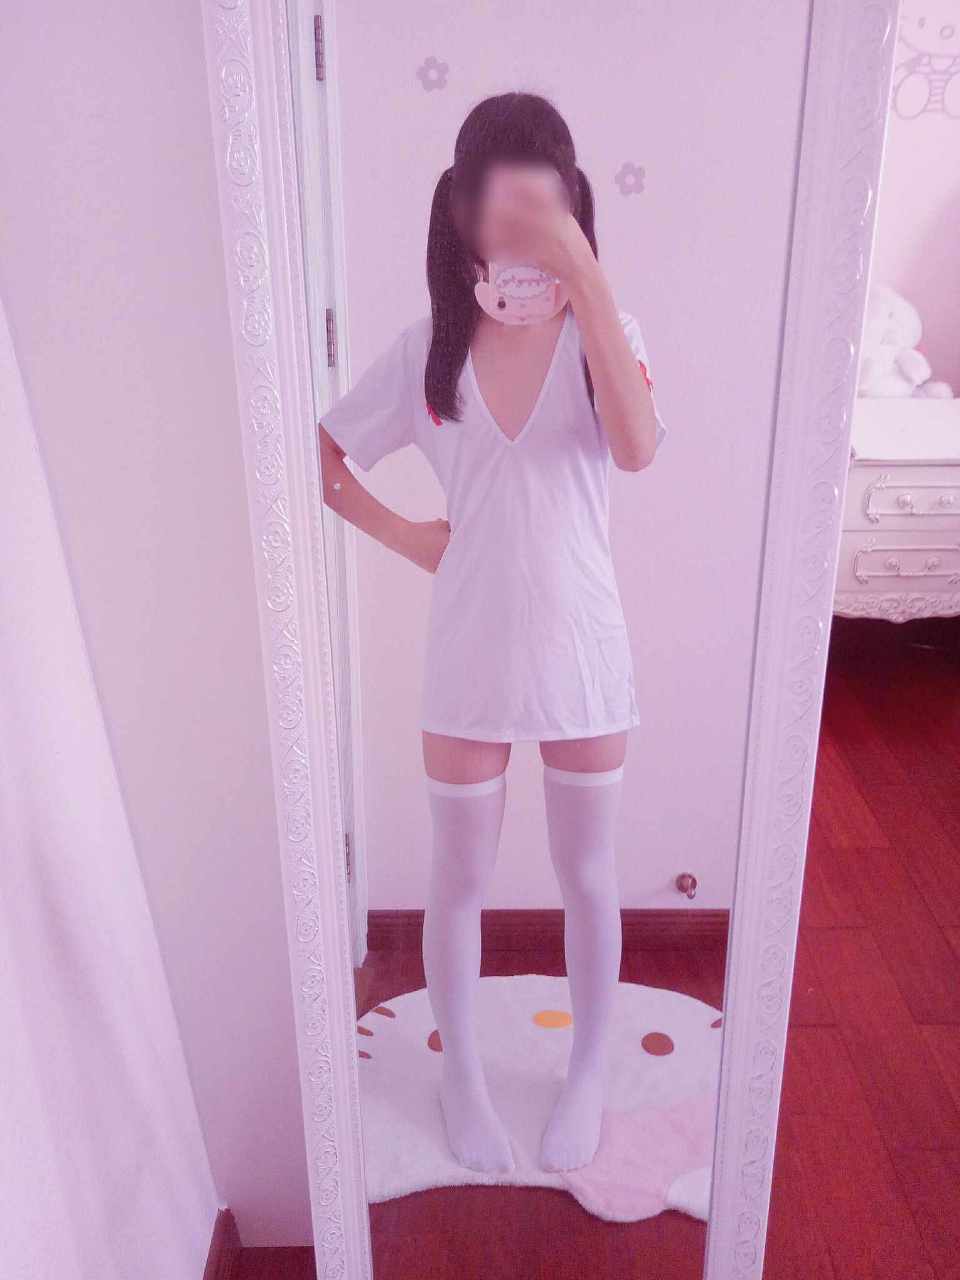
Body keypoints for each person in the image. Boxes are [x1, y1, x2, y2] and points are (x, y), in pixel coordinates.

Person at [318, 92, 666, 1176]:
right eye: (498, 208)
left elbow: (638, 448)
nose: (517, 234)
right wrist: (407, 536)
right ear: (460, 212)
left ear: (571, 210)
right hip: (468, 648)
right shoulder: (428, 349)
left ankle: (588, 1068)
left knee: (589, 874)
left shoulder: (607, 337)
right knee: (458, 879)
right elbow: (325, 456)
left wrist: (587, 279)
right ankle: (460, 1073)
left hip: (583, 649)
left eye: (540, 210)